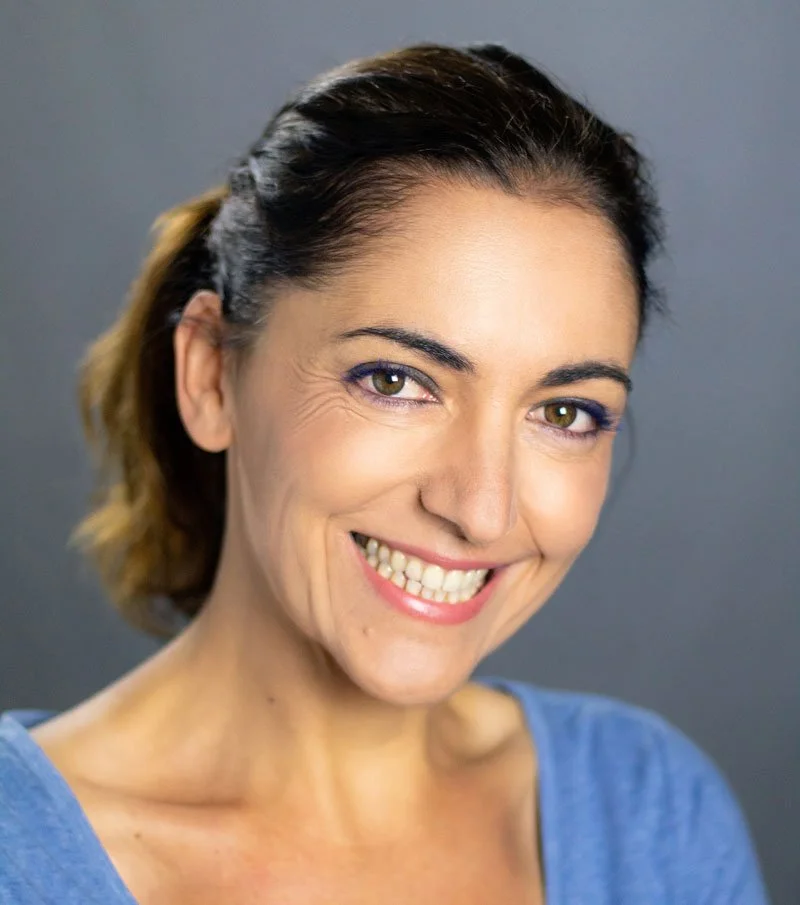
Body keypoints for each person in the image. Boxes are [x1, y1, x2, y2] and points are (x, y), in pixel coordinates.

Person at [0, 43, 769, 904]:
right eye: (397, 381)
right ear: (213, 374)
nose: (480, 507)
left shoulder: (652, 815)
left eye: (564, 412)